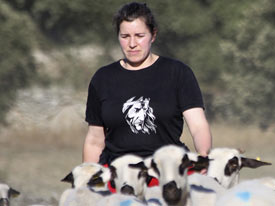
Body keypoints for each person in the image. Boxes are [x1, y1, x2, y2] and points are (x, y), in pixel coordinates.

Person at [82, 2, 212, 167]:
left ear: (153, 35)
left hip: (169, 169)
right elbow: (94, 140)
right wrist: (88, 179)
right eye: (125, 36)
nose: (132, 44)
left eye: (139, 36)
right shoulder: (103, 78)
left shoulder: (178, 73)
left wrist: (203, 156)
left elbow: (198, 126)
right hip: (118, 171)